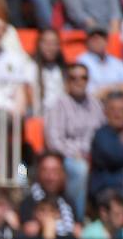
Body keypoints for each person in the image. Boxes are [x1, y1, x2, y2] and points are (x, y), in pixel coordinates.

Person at [45, 63, 105, 220]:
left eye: (83, 77)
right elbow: (54, 141)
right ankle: (76, 219)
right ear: (67, 82)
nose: (79, 81)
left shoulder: (96, 105)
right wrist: (75, 154)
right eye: (74, 78)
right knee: (79, 170)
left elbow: (102, 134)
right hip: (68, 157)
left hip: (94, 156)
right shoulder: (58, 105)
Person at [19, 151, 80, 239]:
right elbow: (27, 231)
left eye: (54, 171)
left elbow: (77, 230)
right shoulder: (28, 202)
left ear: (62, 174)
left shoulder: (69, 202)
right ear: (38, 173)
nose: (50, 177)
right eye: (45, 171)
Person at [76, 28, 123, 99]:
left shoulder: (115, 61)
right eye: (94, 38)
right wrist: (118, 88)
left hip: (118, 102)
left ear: (106, 40)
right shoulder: (82, 61)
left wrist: (109, 89)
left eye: (101, 37)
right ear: (87, 42)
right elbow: (89, 93)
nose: (98, 40)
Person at [26, 29, 66, 116]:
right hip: (39, 115)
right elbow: (29, 95)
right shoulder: (30, 67)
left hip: (61, 115)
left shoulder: (64, 69)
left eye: (54, 43)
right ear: (39, 45)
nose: (50, 47)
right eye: (46, 43)